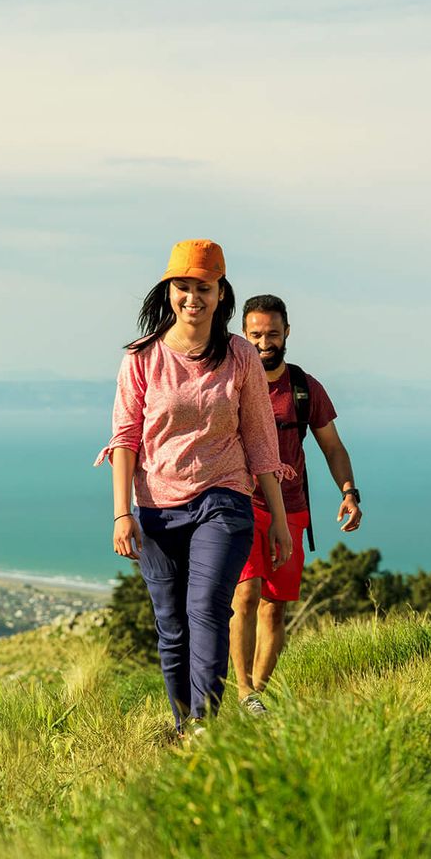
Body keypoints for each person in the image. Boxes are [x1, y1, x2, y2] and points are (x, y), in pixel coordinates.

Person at [95, 241, 294, 735]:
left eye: (203, 288)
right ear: (169, 291)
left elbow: (261, 441)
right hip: (157, 508)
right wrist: (122, 514)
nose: (192, 298)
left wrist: (280, 523)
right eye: (183, 287)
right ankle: (183, 723)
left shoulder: (240, 356)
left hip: (223, 498)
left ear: (220, 292)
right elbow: (125, 439)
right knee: (172, 624)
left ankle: (205, 724)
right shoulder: (140, 359)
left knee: (206, 607)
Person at [230, 294, 362, 713]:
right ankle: (243, 690)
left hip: (292, 508)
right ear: (243, 335)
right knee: (245, 594)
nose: (264, 342)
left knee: (275, 609)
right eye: (255, 335)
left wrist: (349, 493)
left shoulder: (304, 388)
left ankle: (259, 700)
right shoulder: (231, 382)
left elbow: (333, 447)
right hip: (242, 503)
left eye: (272, 333)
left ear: (287, 332)